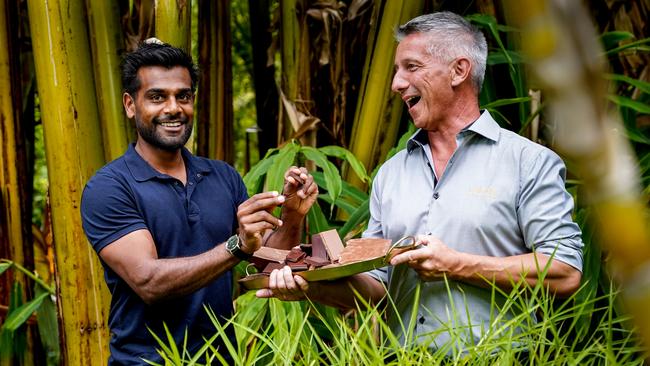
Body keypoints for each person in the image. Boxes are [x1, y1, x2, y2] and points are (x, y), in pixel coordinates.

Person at [257, 11, 583, 354]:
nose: (397, 83)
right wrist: (308, 284)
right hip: (403, 358)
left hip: (501, 358)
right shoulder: (391, 173)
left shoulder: (528, 162)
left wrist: (456, 263)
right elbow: (378, 287)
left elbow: (564, 271)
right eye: (397, 71)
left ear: (459, 70)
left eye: (411, 67)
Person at [81, 40, 318, 365]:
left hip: (223, 359)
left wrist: (291, 215)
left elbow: (269, 260)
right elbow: (148, 281)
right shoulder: (109, 187)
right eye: (157, 97)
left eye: (183, 96)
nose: (173, 107)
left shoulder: (222, 176)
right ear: (130, 105)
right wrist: (237, 246)